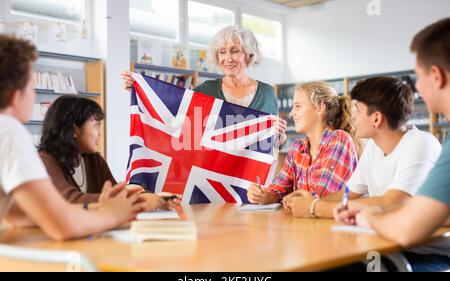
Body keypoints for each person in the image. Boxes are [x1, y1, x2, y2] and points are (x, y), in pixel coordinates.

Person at [0, 35, 143, 241]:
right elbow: (62, 226)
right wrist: (112, 214)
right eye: (31, 88)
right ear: (16, 95)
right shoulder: (8, 130)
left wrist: (109, 206)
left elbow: (20, 215)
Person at [335, 18, 450, 272]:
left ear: (436, 76)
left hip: (426, 256)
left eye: (418, 77)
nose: (417, 87)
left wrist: (371, 215)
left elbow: (406, 228)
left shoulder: (423, 144)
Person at [284, 77, 441, 220]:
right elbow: (348, 193)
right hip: (388, 242)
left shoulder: (420, 145)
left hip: (424, 250)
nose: (352, 117)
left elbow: (392, 203)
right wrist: (306, 202)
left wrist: (314, 207)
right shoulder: (374, 146)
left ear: (377, 118)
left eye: (357, 110)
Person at [122, 25, 287, 145]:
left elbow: (273, 144)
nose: (228, 59)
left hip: (251, 184)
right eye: (222, 52)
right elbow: (175, 120)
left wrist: (280, 137)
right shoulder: (205, 91)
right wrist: (140, 89)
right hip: (212, 181)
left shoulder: (267, 94)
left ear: (249, 55)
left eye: (235, 51)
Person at [38, 95, 179, 211]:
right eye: (96, 125)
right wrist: (140, 200)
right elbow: (70, 200)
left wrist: (156, 199)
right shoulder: (45, 161)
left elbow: (113, 192)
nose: (100, 133)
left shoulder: (93, 159)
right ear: (74, 130)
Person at [247, 81, 359, 205]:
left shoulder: (339, 140)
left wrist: (290, 198)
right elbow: (278, 190)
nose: (291, 113)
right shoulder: (297, 148)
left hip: (329, 223)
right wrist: (263, 195)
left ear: (320, 108)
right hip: (302, 222)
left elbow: (320, 197)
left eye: (298, 106)